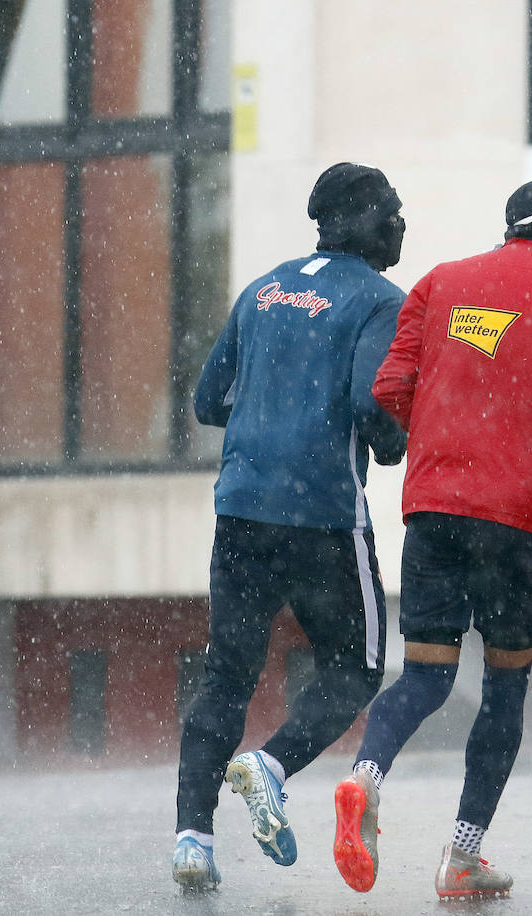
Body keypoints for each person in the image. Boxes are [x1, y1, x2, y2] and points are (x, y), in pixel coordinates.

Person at [331, 179, 532, 898]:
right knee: (504, 685)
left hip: (434, 509)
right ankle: (461, 858)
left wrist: (440, 439)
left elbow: (390, 388)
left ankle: (365, 774)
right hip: (519, 518)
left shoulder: (440, 282)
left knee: (425, 673)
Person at [171, 162, 409, 892]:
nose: (402, 223)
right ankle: (269, 767)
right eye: (393, 212)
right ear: (359, 218)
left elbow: (209, 401)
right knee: (359, 665)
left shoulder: (263, 288)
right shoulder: (379, 301)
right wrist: (395, 442)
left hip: (240, 507)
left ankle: (191, 839)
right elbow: (375, 408)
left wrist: (270, 404)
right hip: (323, 515)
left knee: (228, 673)